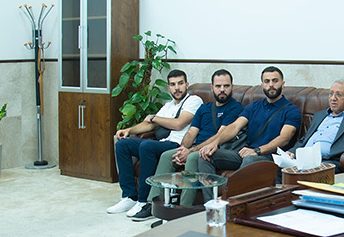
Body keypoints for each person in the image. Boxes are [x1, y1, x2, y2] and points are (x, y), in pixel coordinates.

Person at [107, 69, 203, 222]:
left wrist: (154, 118)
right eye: (173, 85)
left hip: (178, 145)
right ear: (168, 87)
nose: (177, 88)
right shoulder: (168, 105)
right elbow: (149, 124)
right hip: (164, 143)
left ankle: (144, 201)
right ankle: (129, 196)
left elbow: (179, 124)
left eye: (180, 83)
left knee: (147, 146)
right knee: (123, 145)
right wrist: (129, 130)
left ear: (187, 85)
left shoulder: (194, 100)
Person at [145, 69, 243, 206]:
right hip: (195, 147)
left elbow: (219, 136)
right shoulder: (204, 108)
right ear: (212, 88)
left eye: (226, 86)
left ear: (232, 87)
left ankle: (185, 207)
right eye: (218, 86)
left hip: (215, 149)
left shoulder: (235, 108)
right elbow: (191, 132)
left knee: (192, 157)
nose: (222, 90)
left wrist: (190, 151)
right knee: (167, 156)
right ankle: (154, 203)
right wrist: (182, 149)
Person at [197, 66, 301, 180]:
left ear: (283, 84)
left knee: (250, 159)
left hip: (271, 158)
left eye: (275, 81)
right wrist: (214, 143)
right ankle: (211, 192)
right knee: (206, 156)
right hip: (247, 153)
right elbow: (235, 126)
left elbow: (284, 138)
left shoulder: (291, 110)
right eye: (267, 81)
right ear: (262, 85)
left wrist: (257, 150)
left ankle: (231, 191)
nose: (271, 85)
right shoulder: (254, 106)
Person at [284, 78, 344, 172]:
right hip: (303, 160)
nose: (333, 98)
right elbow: (305, 139)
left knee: (308, 174)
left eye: (338, 95)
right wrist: (292, 151)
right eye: (331, 94)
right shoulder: (319, 115)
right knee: (279, 167)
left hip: (327, 162)